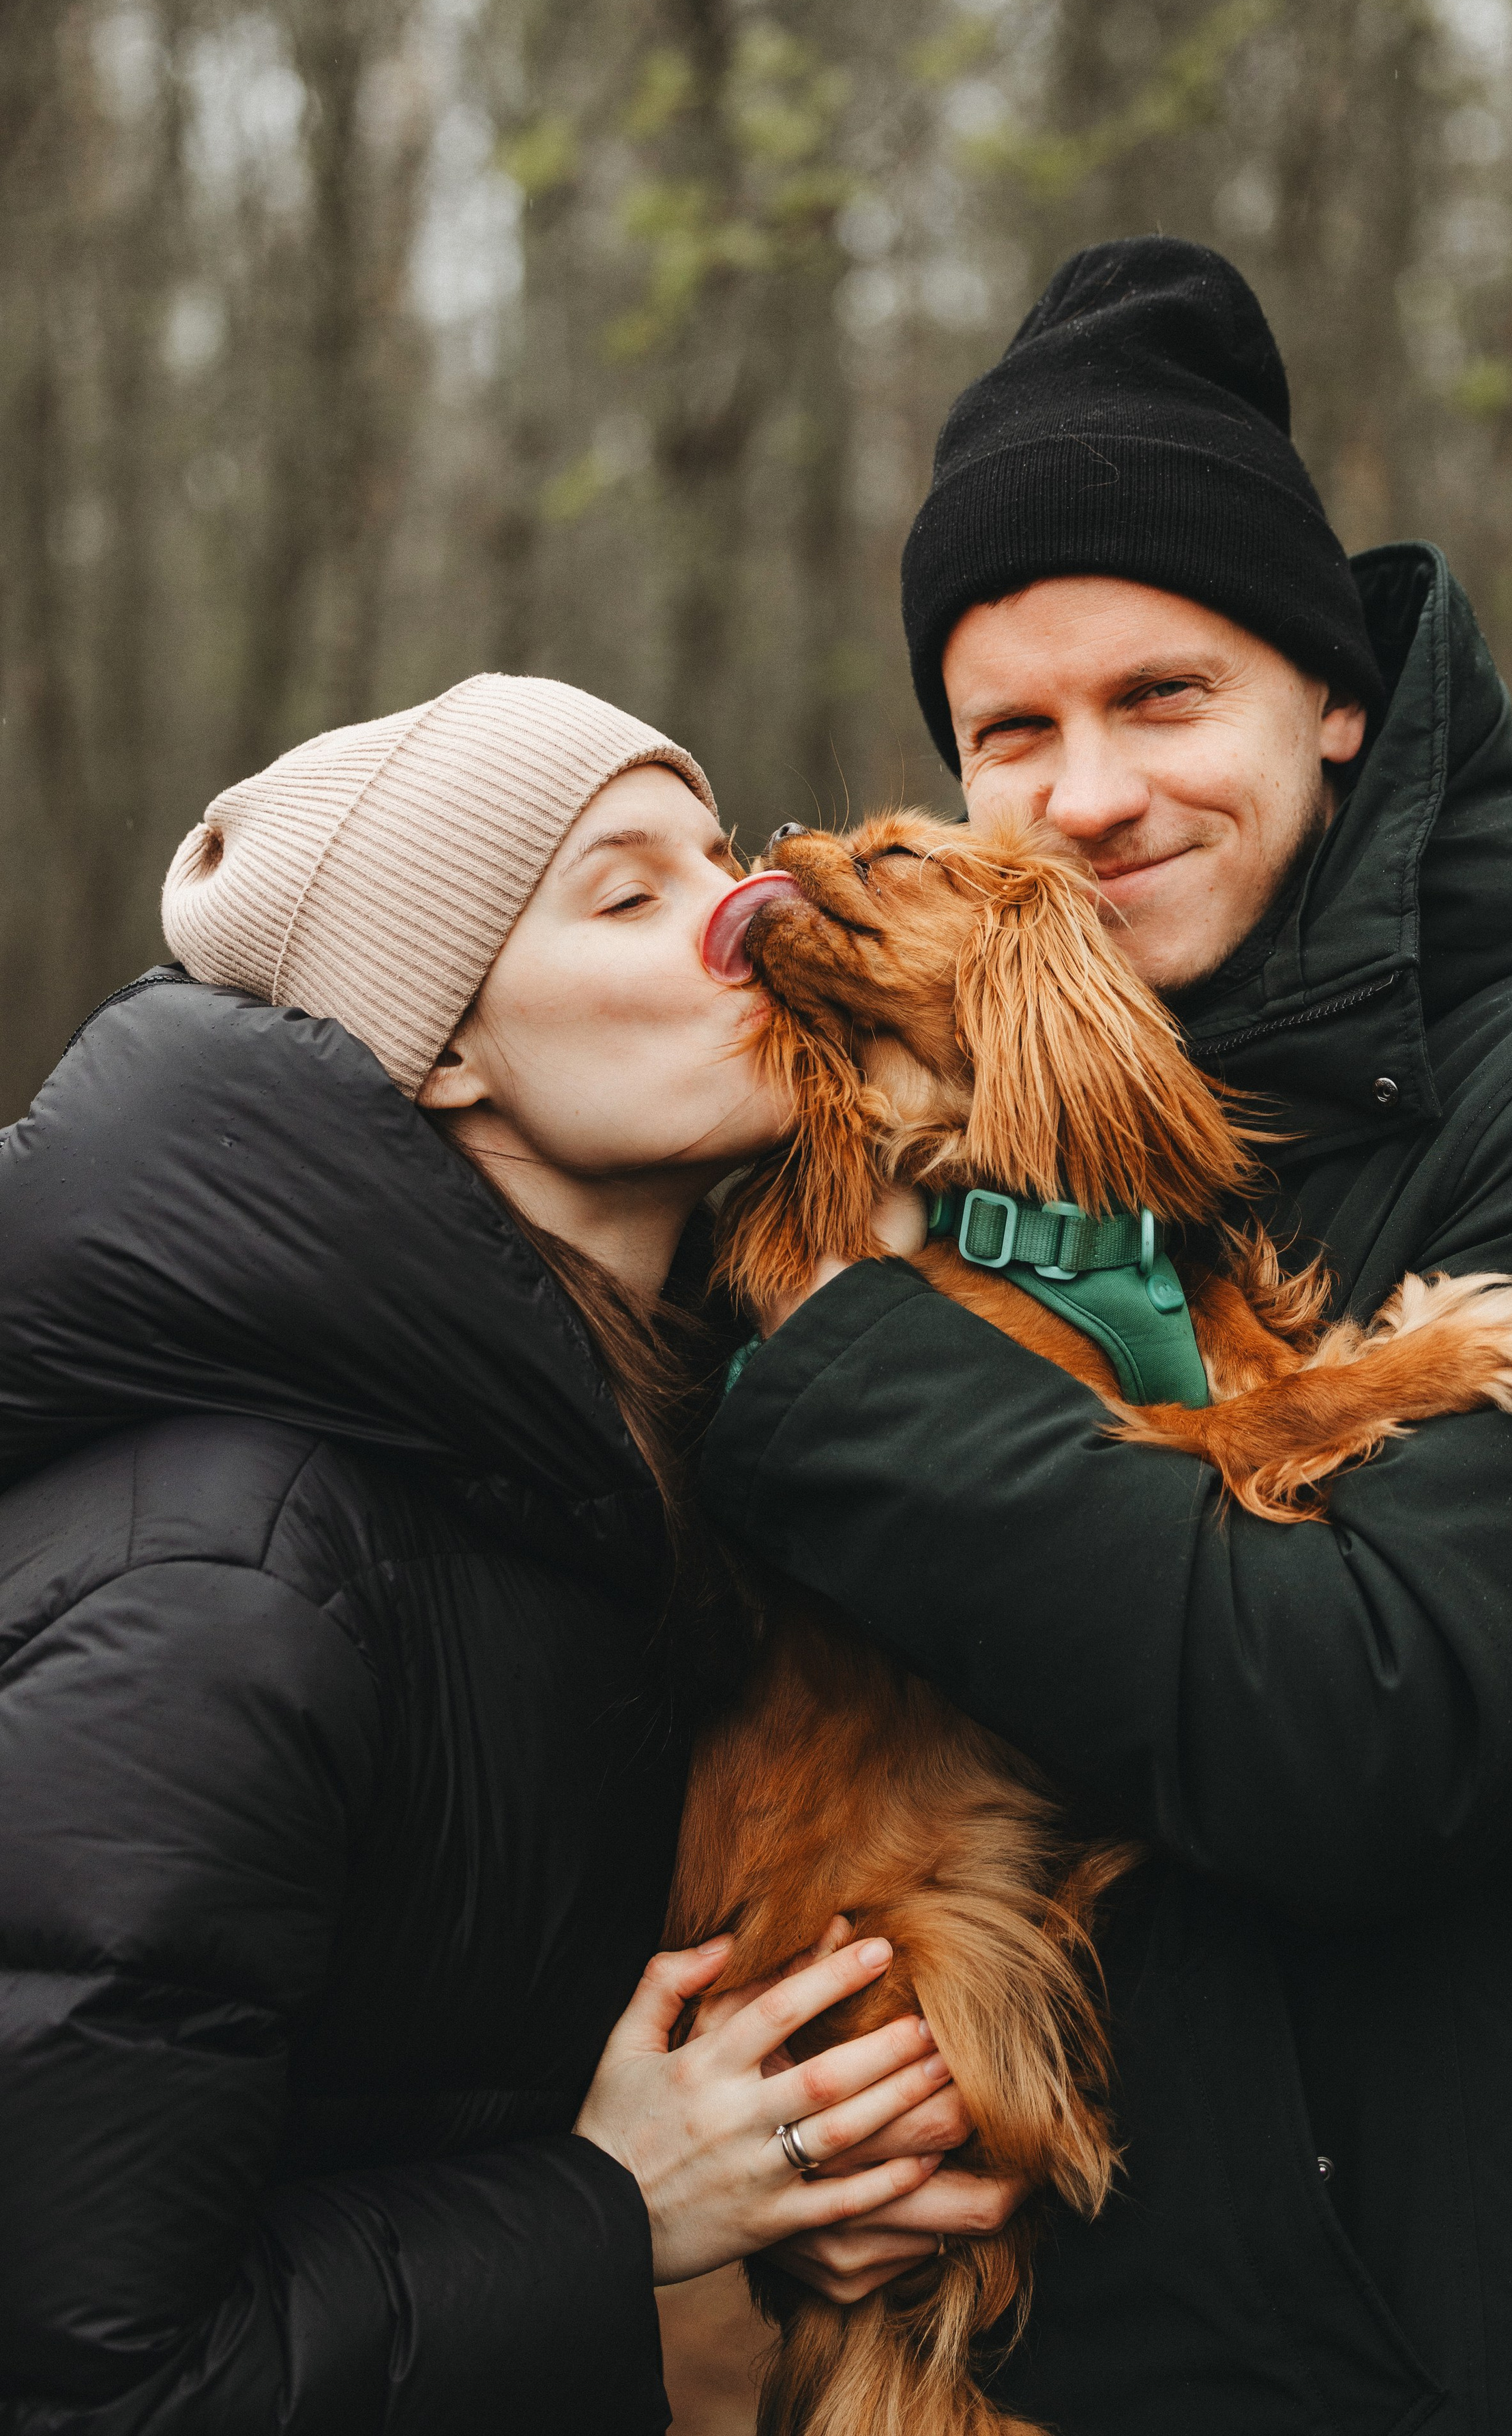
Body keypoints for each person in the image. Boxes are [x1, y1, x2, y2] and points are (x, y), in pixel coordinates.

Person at [699, 239, 1512, 2431]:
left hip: (1454, 2366)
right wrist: (781, 2143)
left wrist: (861, 1366)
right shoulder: (936, 1122)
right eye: (1014, 731)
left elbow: (1369, 1733)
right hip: (1036, 2349)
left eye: (1162, 698)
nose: (1087, 798)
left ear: (1334, 697)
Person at [0, 672, 998, 2433]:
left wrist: (777, 2188)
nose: (760, 917)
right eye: (631, 893)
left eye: (724, 850)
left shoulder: (610, 1488)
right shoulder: (226, 1586)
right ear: (438, 1046)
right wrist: (613, 2213)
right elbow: (92, 2379)